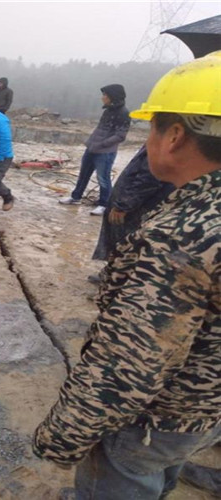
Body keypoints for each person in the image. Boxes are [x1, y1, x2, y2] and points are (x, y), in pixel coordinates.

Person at [33, 51, 221, 500]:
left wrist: (59, 438)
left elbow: (127, 367)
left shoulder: (183, 237)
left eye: (150, 128)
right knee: (164, 468)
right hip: (206, 409)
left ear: (174, 135)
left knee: (126, 474)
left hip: (157, 419)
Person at [87, 146, 175, 284]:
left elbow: (147, 179)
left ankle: (115, 282)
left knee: (124, 244)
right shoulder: (159, 145)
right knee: (123, 244)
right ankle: (111, 275)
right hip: (132, 205)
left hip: (134, 209)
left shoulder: (162, 149)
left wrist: (124, 205)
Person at [59, 84, 130, 215]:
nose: (102, 98)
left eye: (105, 95)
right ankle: (76, 197)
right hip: (92, 148)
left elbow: (120, 135)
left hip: (105, 152)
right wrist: (91, 142)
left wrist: (103, 144)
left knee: (103, 178)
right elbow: (100, 129)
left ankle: (104, 204)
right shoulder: (107, 111)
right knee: (83, 174)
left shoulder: (124, 113)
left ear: (113, 97)